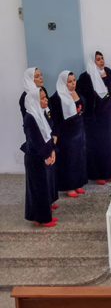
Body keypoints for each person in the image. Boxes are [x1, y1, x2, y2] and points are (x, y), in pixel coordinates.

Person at [77, 51, 111, 185]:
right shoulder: (85, 77)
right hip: (95, 117)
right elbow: (81, 97)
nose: (101, 61)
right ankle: (98, 175)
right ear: (92, 62)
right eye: (98, 60)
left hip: (108, 114)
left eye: (102, 58)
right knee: (97, 145)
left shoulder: (108, 71)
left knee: (110, 143)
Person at [22, 88, 57, 227]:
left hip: (44, 155)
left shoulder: (41, 114)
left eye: (45, 97)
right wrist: (45, 156)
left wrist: (52, 151)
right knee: (38, 189)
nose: (46, 100)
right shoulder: (30, 117)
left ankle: (41, 216)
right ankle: (42, 218)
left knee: (44, 187)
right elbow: (35, 141)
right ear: (34, 101)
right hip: (35, 158)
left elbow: (48, 135)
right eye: (42, 98)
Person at [49, 70, 88, 198]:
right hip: (66, 135)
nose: (73, 84)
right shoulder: (56, 98)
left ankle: (78, 183)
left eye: (74, 81)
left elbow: (82, 109)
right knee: (68, 161)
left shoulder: (77, 93)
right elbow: (55, 119)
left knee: (79, 159)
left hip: (79, 132)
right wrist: (56, 137)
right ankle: (69, 186)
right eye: (69, 82)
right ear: (63, 83)